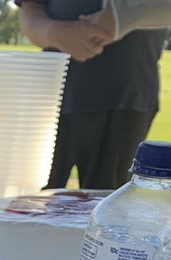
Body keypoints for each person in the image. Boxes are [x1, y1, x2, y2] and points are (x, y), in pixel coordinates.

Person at [18, 0, 170, 189]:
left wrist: (125, 16)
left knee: (107, 205)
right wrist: (53, 32)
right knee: (27, 199)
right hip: (52, 92)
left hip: (126, 96)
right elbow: (30, 10)